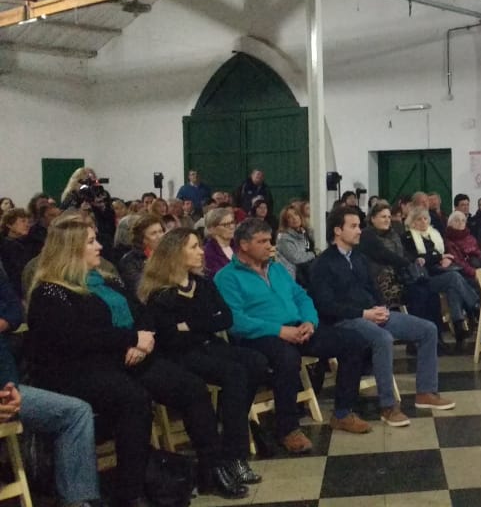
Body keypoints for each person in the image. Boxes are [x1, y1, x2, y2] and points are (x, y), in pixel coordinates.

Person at [26, 219, 248, 505]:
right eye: (91, 242)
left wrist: (145, 340)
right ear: (70, 249)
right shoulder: (50, 292)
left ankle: (211, 468)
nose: (100, 246)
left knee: (190, 386)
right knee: (134, 400)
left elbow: (142, 313)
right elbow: (77, 337)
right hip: (79, 369)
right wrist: (132, 339)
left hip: (128, 356)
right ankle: (129, 493)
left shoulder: (107, 280)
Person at [214, 218, 370, 452]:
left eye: (269, 240)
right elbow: (235, 320)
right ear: (244, 245)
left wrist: (309, 321)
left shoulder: (276, 268)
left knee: (353, 341)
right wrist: (279, 331)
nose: (269, 246)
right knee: (287, 358)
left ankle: (343, 412)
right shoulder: (227, 277)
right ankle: (287, 428)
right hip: (259, 336)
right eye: (262, 241)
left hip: (297, 327)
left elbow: (301, 296)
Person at [139, 229, 268, 486]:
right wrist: (204, 322)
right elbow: (170, 336)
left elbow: (225, 318)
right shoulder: (161, 294)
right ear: (176, 253)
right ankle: (234, 454)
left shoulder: (204, 284)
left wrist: (189, 324)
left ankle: (230, 426)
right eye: (194, 247)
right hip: (180, 355)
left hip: (209, 345)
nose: (201, 252)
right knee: (234, 373)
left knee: (257, 362)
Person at [310, 206, 455, 428]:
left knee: (428, 329)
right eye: (353, 226)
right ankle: (388, 406)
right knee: (382, 338)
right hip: (346, 320)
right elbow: (326, 305)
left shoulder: (359, 257)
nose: (359, 231)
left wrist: (381, 308)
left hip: (372, 313)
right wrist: (363, 314)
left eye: (359, 226)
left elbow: (373, 288)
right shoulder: (323, 263)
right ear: (338, 230)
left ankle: (426, 392)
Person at [1, 263, 103, 507]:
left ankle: (76, 502)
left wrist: (8, 387)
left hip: (7, 390)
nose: (99, 246)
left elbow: (15, 311)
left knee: (76, 412)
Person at [357, 203, 446, 352]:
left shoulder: (393, 233)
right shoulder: (367, 236)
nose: (387, 220)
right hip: (381, 280)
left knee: (431, 293)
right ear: (372, 219)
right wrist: (408, 263)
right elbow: (385, 254)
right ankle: (416, 340)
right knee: (417, 293)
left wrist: (414, 260)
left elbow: (404, 253)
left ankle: (436, 338)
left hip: (400, 275)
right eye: (383, 217)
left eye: (388, 217)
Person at [403, 207, 480, 349]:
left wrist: (443, 259)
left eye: (425, 218)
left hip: (437, 272)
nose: (423, 222)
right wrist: (439, 257)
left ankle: (458, 324)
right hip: (423, 279)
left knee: (453, 287)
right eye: (419, 219)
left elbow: (434, 256)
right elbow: (419, 259)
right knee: (454, 277)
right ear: (412, 222)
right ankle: (475, 305)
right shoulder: (409, 237)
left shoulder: (433, 235)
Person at [117, 214, 165, 299]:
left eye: (161, 231)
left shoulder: (169, 254)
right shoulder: (129, 261)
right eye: (153, 233)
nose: (160, 236)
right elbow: (140, 289)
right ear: (142, 239)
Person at [275, 206, 315, 281]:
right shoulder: (283, 238)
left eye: (296, 214)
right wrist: (313, 254)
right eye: (289, 217)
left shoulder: (304, 232)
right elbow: (296, 258)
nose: (294, 218)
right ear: (285, 222)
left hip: (304, 272)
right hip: (290, 277)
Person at [0, 208, 33, 298]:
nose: (27, 225)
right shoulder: (9, 247)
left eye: (28, 222)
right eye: (23, 221)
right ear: (9, 225)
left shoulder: (26, 243)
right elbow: (17, 275)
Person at [443, 211, 481, 285]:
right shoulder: (449, 242)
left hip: (480, 268)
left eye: (463, 220)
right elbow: (459, 262)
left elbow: (480, 254)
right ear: (450, 223)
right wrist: (474, 272)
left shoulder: (471, 238)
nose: (460, 222)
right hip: (466, 274)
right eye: (457, 220)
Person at [203, 208, 236, 277]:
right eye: (226, 224)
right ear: (212, 229)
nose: (232, 227)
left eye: (232, 222)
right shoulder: (209, 253)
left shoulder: (238, 245)